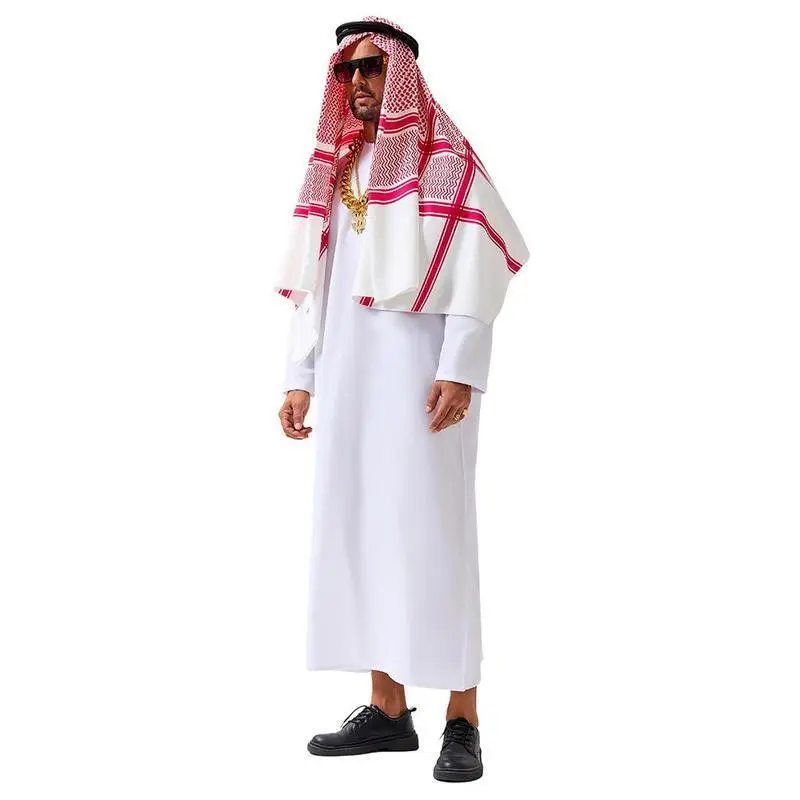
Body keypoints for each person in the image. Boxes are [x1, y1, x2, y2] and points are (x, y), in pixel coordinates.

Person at [274, 17, 528, 783]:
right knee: (358, 530)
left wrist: (461, 366)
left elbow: (482, 265)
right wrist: (300, 374)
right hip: (349, 380)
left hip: (423, 381)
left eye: (372, 69)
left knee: (431, 536)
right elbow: (314, 279)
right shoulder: (337, 166)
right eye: (347, 71)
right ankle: (387, 711)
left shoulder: (445, 162)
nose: (357, 83)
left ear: (403, 76)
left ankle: (462, 718)